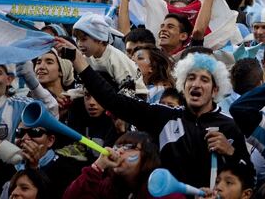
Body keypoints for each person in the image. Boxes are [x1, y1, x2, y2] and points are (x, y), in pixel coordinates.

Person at [54, 37, 251, 188]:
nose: (196, 84)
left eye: (204, 80)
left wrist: (231, 153)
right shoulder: (163, 116)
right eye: (190, 78)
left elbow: (249, 177)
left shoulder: (229, 126)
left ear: (215, 90)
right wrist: (78, 61)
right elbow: (113, 101)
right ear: (183, 85)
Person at [63, 131, 183, 199]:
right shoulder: (108, 186)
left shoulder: (165, 192)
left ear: (148, 156)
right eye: (117, 146)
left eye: (129, 147)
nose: (119, 151)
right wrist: (97, 167)